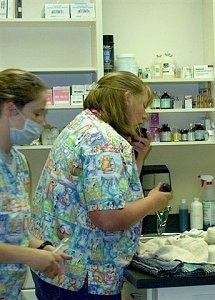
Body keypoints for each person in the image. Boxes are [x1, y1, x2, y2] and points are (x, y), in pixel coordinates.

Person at [30, 71, 172, 299]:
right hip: (83, 276)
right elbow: (107, 218)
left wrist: (139, 159)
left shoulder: (83, 124)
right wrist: (153, 202)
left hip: (57, 265)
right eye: (143, 105)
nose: (144, 115)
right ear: (127, 98)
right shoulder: (105, 141)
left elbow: (109, 192)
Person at [0, 68, 71, 300]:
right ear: (11, 109)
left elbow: (12, 230)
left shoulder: (18, 162)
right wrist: (29, 257)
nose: (42, 122)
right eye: (38, 114)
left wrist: (41, 248)